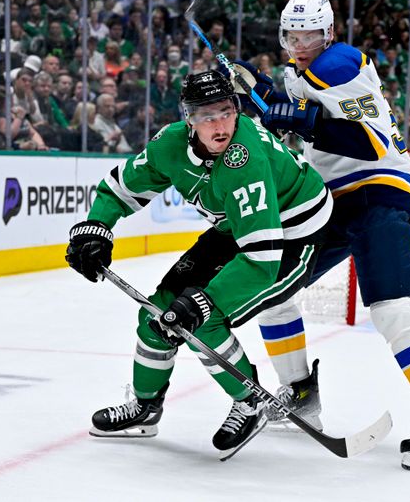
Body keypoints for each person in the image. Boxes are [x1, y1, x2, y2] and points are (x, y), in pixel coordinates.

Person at [237, 0, 410, 471]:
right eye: (291, 34)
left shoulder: (342, 61)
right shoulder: (310, 71)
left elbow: (364, 145)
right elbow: (302, 110)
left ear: (327, 32)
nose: (299, 42)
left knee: (392, 311)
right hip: (330, 202)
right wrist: (264, 93)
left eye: (308, 34)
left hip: (375, 194)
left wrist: (285, 111)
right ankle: (301, 392)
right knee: (273, 289)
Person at [65, 70, 333, 460]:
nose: (219, 124)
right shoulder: (170, 144)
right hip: (236, 226)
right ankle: (145, 407)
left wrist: (203, 302)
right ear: (188, 118)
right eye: (206, 115)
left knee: (201, 316)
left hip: (294, 234)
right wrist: (95, 227)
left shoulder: (246, 160)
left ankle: (249, 401)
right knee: (159, 312)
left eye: (226, 111)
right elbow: (122, 187)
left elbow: (261, 258)